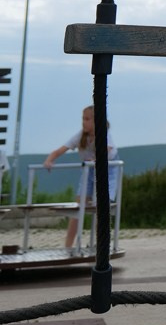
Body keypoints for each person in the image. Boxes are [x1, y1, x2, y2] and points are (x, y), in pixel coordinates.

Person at [42, 106, 118, 249]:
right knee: (78, 208)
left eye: (87, 119)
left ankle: (101, 245)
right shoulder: (80, 136)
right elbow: (60, 150)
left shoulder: (104, 133)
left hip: (107, 171)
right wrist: (49, 160)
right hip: (89, 171)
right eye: (83, 119)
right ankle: (68, 246)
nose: (84, 122)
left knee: (101, 208)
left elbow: (107, 149)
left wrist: (96, 159)